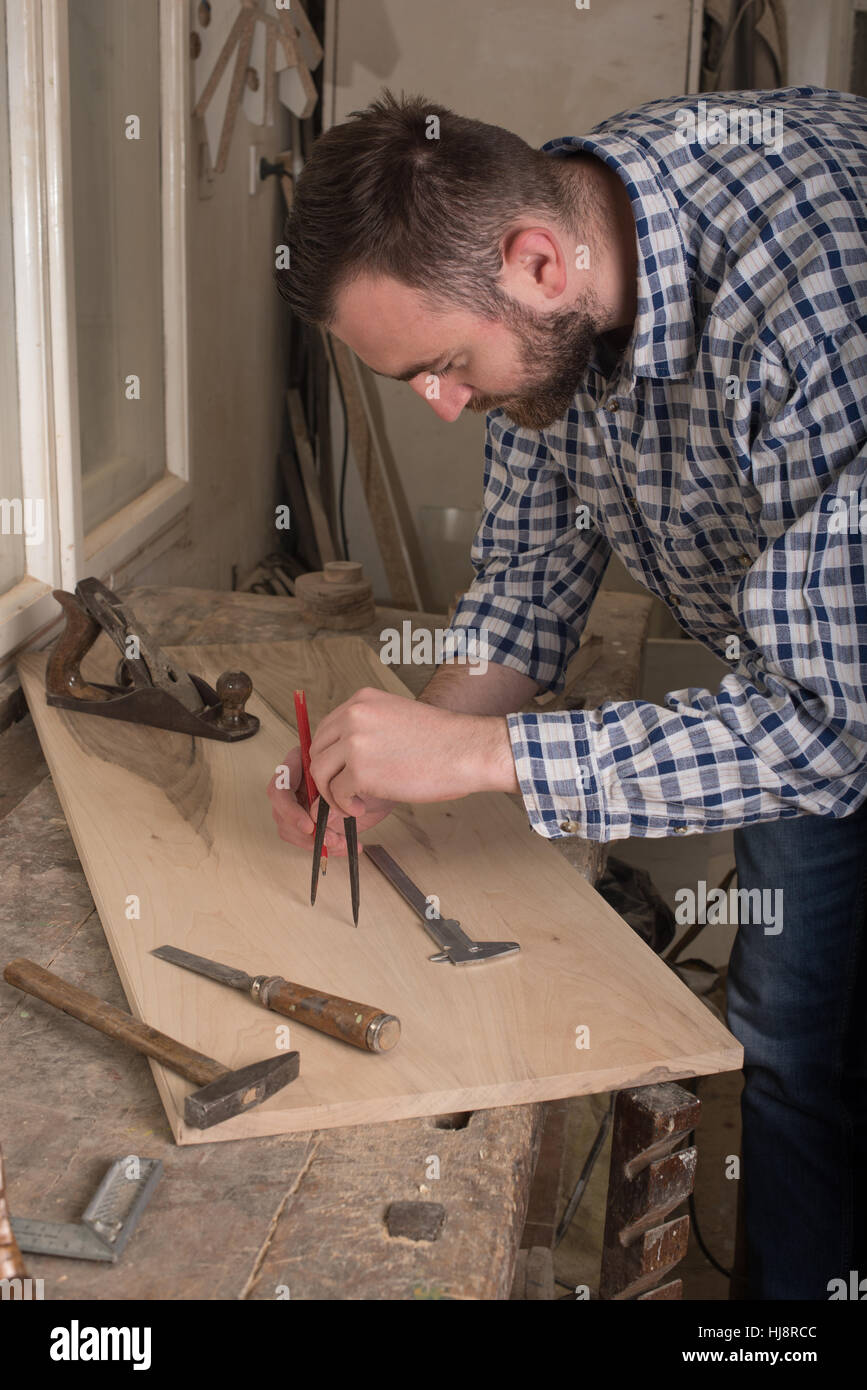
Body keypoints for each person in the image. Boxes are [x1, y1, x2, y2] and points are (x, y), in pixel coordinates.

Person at [269, 88, 867, 1300]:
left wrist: (487, 763)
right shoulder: (548, 283)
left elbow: (821, 726)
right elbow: (536, 576)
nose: (441, 403)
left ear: (536, 261)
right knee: (789, 1041)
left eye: (440, 368)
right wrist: (416, 744)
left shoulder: (808, 299)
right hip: (811, 678)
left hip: (829, 693)